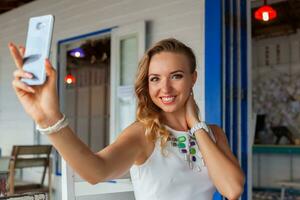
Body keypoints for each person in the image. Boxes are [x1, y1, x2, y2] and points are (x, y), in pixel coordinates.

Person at [9, 38, 244, 200]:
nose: (166, 88)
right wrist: (50, 120)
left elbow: (232, 189)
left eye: (176, 76)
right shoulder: (144, 133)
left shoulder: (213, 133)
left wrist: (196, 125)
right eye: (155, 79)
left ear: (193, 78)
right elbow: (96, 171)